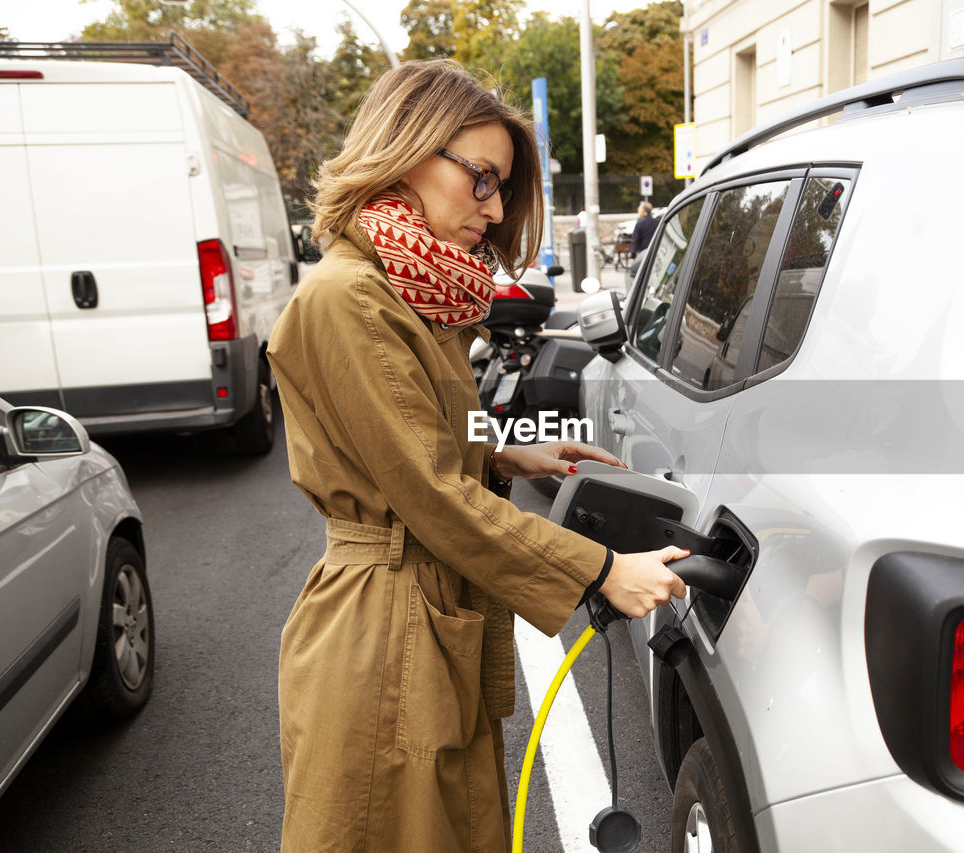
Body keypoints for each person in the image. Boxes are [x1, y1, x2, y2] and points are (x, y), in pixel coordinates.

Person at [266, 60, 689, 852]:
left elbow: (410, 446)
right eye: (482, 179)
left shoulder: (405, 291)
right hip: (384, 634)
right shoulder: (351, 296)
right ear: (408, 148)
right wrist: (603, 569)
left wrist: (513, 452)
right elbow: (429, 496)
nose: (492, 211)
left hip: (419, 619)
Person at [628, 200, 660, 277]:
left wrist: (633, 256)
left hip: (643, 255)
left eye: (639, 209)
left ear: (643, 210)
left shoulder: (639, 223)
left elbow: (635, 241)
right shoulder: (657, 222)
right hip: (655, 253)